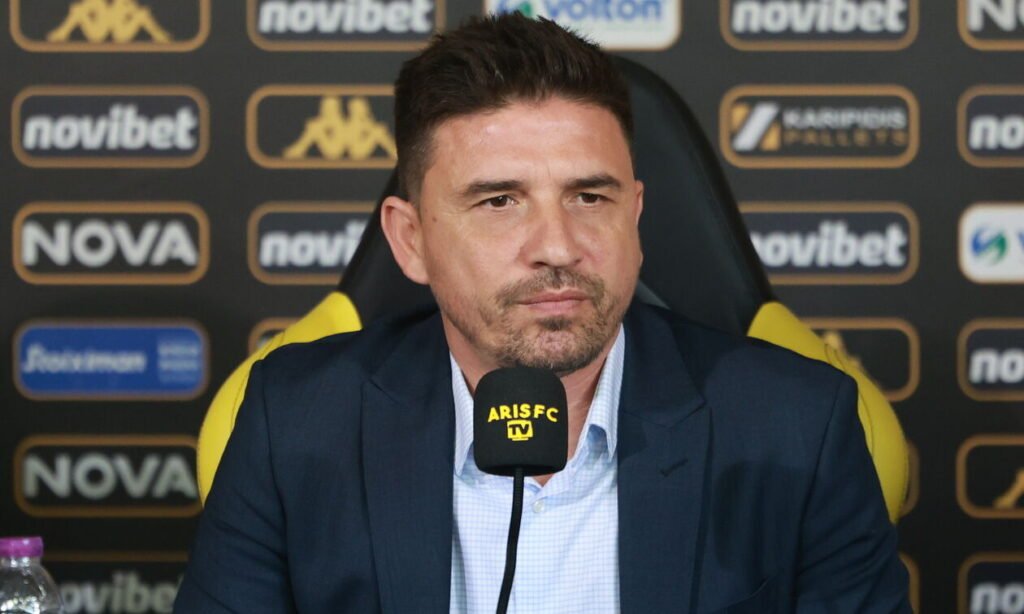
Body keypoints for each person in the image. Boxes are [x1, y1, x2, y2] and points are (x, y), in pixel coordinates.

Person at [175, 14, 910, 613]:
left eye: (590, 197)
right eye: (500, 201)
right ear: (410, 239)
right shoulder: (292, 425)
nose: (558, 246)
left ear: (636, 218)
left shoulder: (798, 427)